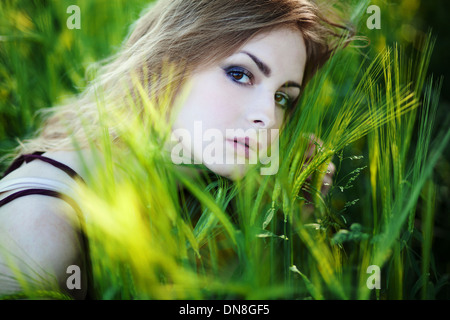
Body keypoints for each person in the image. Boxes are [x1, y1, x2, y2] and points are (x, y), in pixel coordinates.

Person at [0, 0, 350, 299]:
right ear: (168, 60)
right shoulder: (40, 228)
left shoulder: (208, 192)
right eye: (240, 74)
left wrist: (296, 224)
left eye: (282, 98)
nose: (267, 117)